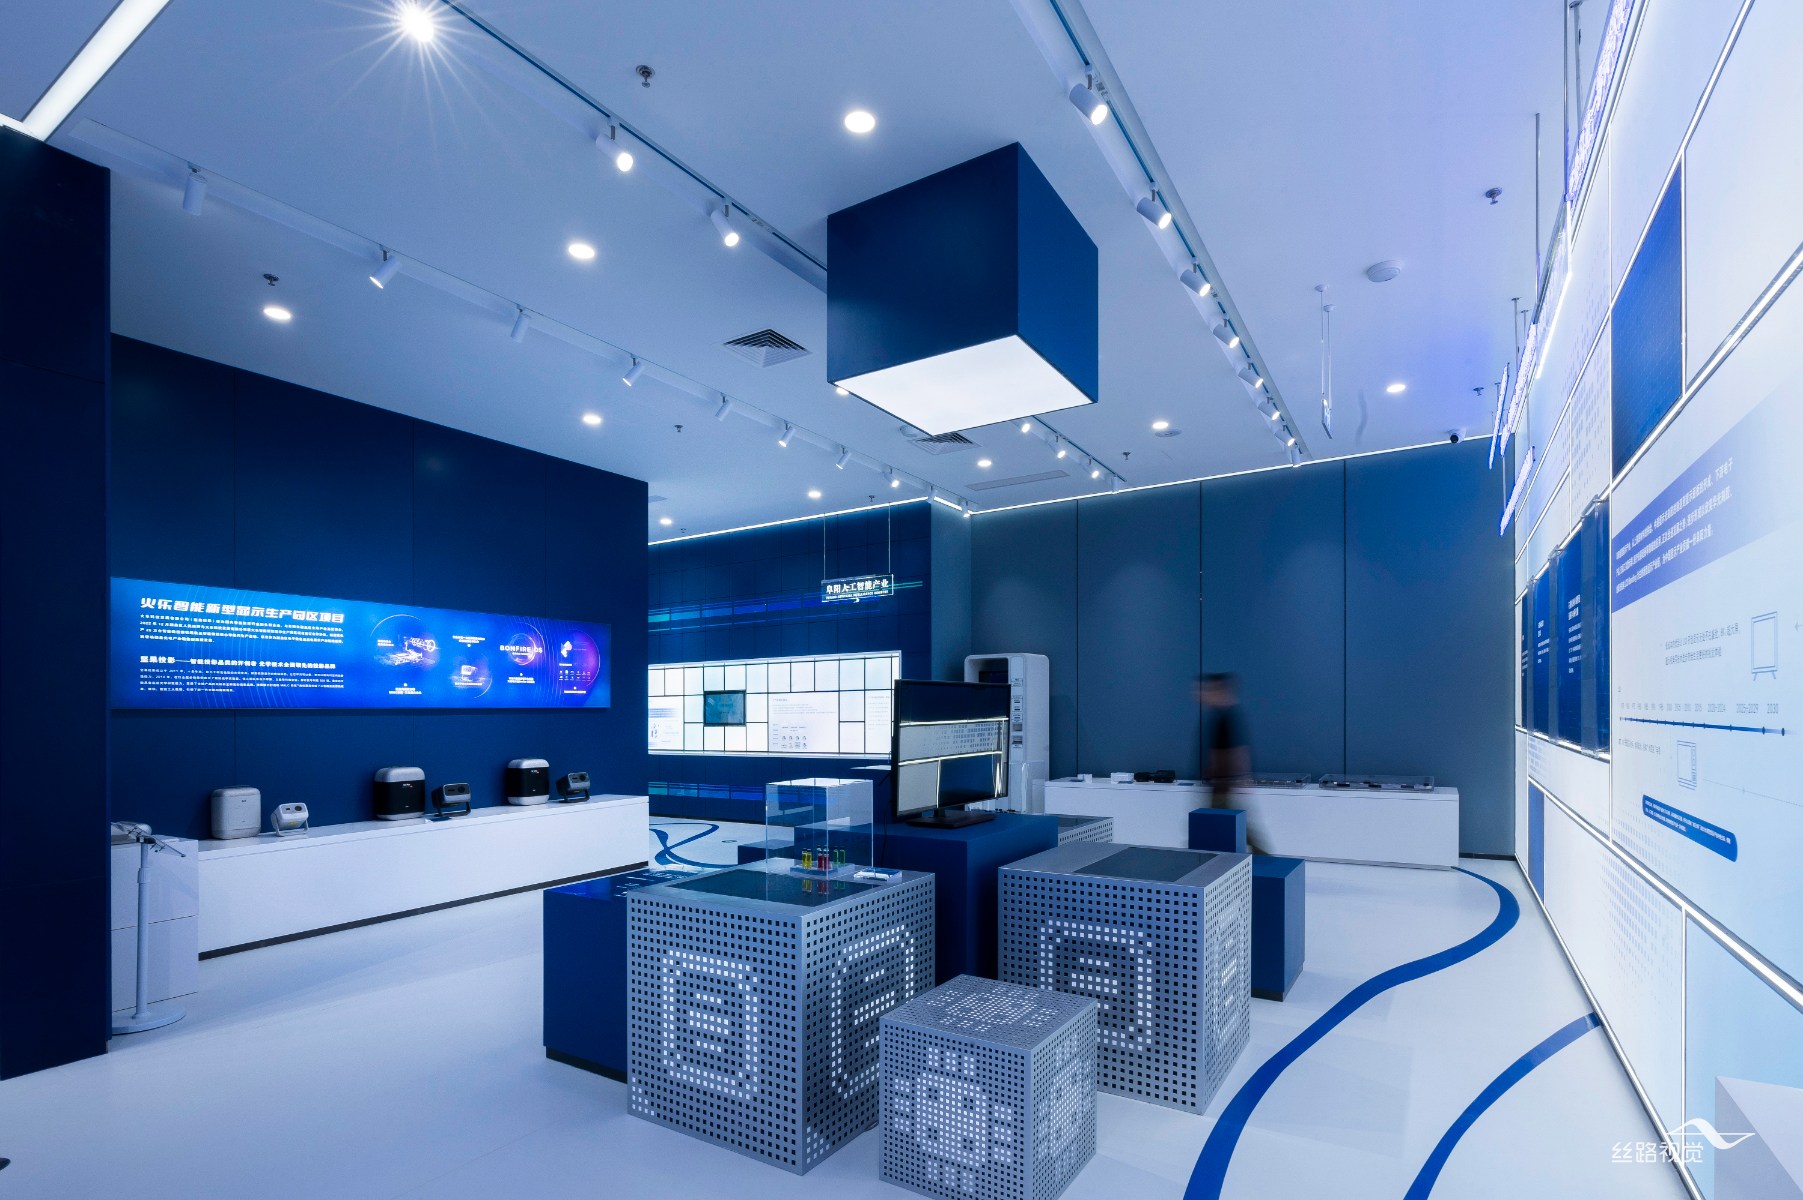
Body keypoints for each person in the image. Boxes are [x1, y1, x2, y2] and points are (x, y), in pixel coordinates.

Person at [1195, 672, 1259, 851]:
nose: (1202, 694)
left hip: (1222, 785)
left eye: (1207, 690)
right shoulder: (1220, 716)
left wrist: (1242, 778)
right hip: (1219, 784)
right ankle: (1262, 856)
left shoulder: (1226, 717)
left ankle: (1263, 857)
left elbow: (1238, 750)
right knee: (1235, 826)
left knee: (1229, 825)